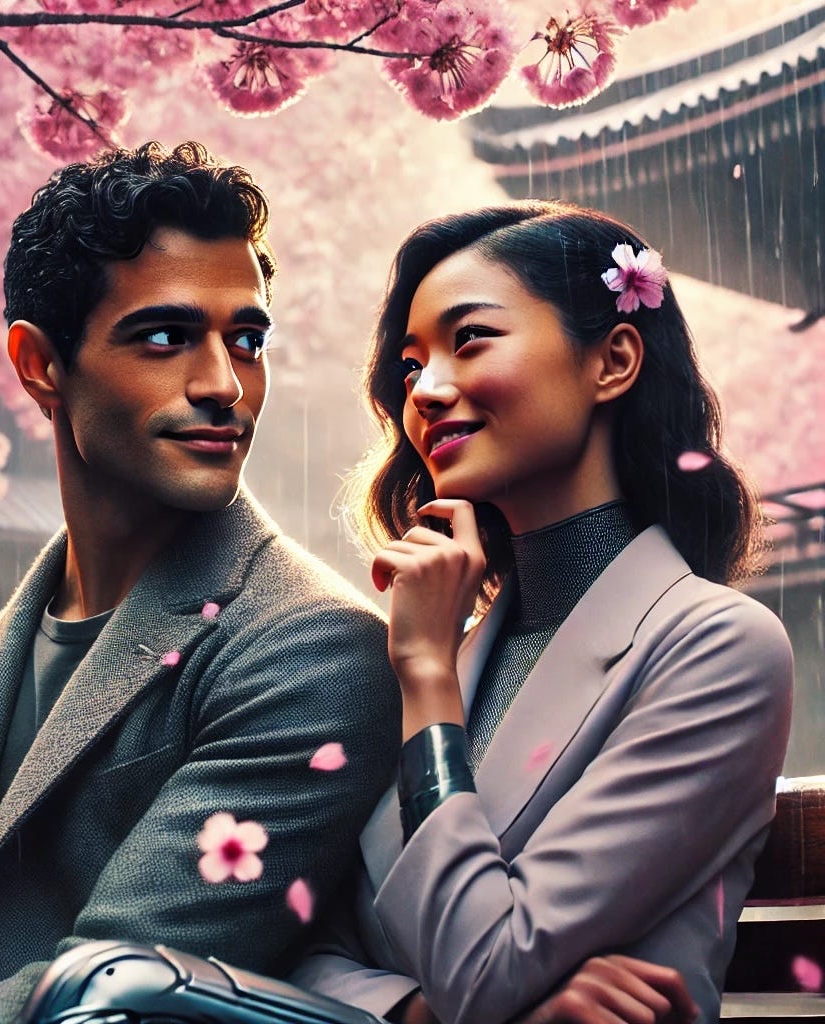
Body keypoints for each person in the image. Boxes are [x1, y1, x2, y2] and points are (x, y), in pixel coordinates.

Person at [0, 141, 404, 1024]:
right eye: (165, 337)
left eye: (247, 340)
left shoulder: (316, 654)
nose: (224, 385)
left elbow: (106, 994)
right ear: (40, 364)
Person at [291, 202, 794, 1024]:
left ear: (613, 360)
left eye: (471, 339)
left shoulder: (717, 648)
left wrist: (424, 675)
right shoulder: (456, 656)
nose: (427, 391)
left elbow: (486, 970)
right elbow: (310, 957)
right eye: (411, 367)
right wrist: (422, 1014)